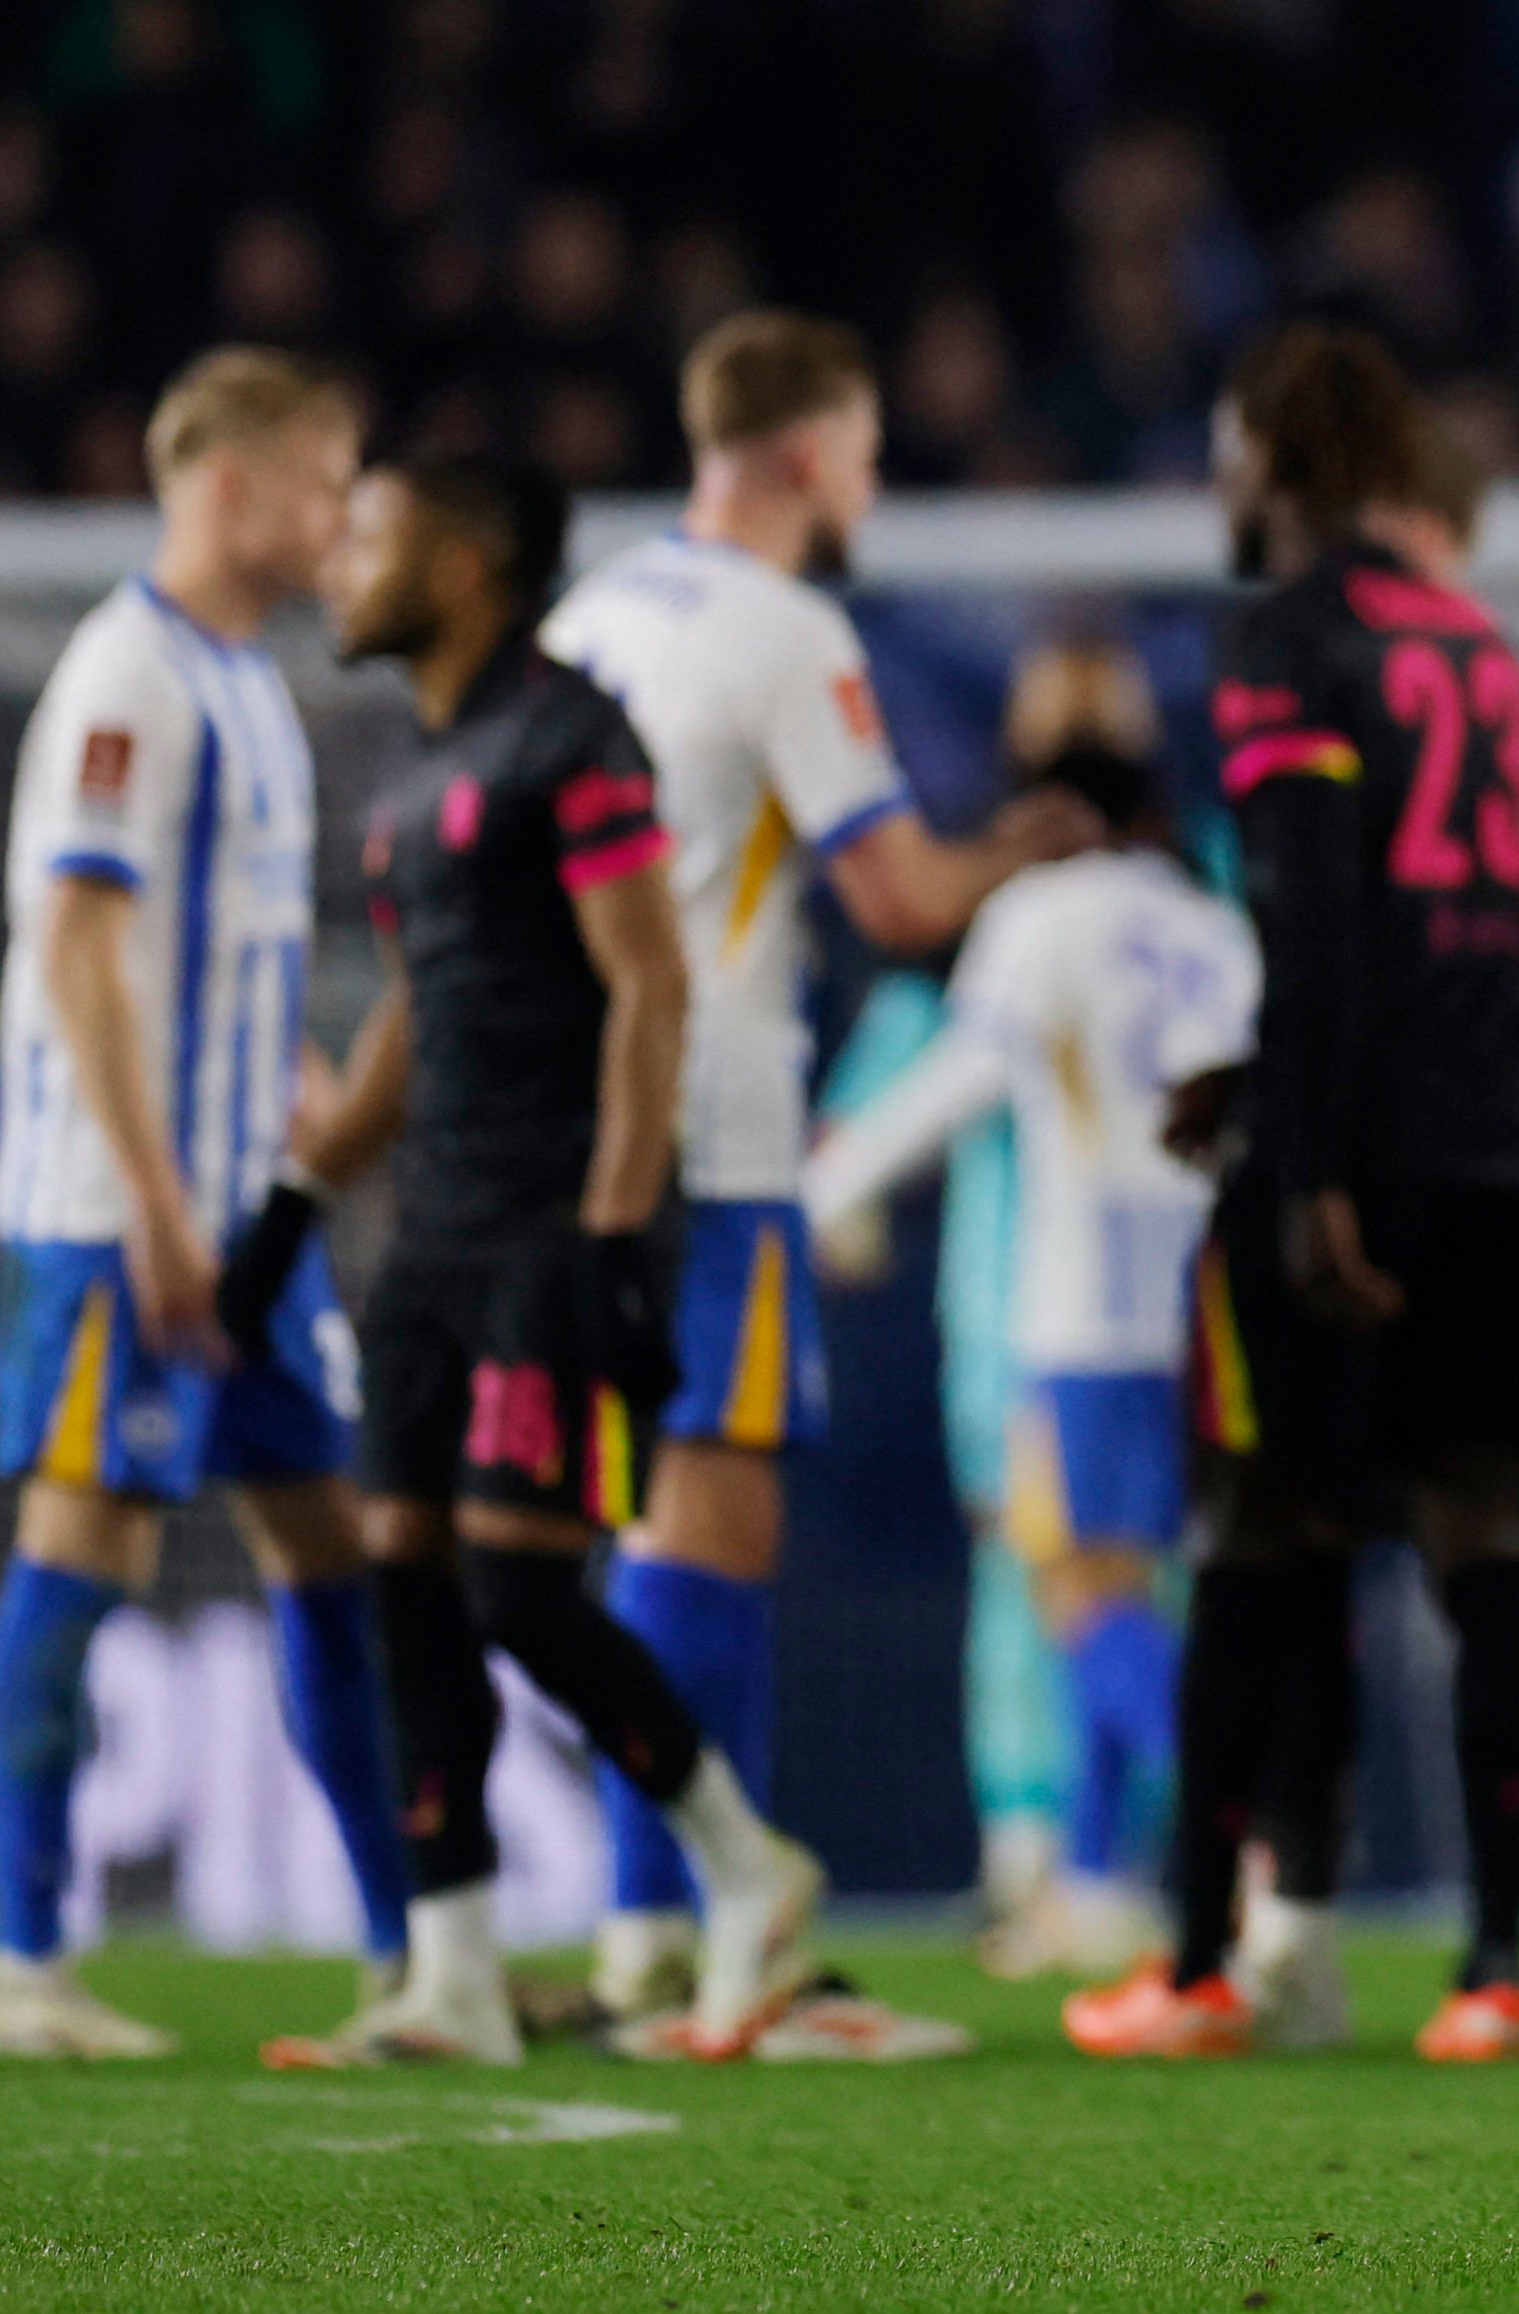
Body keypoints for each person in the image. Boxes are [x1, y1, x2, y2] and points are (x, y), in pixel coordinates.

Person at [1067, 337, 1519, 2063]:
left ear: (1277, 449)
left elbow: (1322, 918)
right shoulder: (1495, 664)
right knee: (1512, 1555)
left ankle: (1224, 1951)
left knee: (1270, 1544)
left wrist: (1310, 1148)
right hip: (1514, 1157)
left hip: (1369, 1151)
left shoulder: (1290, 632)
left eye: (1227, 445)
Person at [538, 311, 1090, 2020]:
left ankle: (651, 1927)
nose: (870, 488)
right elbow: (903, 899)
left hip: (567, 1126)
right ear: (800, 454)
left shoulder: (588, 610)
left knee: (643, 1514)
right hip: (717, 1128)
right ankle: (719, 1933)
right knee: (713, 1519)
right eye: (860, 454)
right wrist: (1035, 841)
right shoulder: (785, 630)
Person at [264, 454, 823, 2064]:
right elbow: (417, 1014)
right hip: (430, 1229)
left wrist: (612, 1232)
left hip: (545, 1227)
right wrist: (302, 1197)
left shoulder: (576, 736)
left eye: (370, 532)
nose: (341, 562)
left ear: (467, 555)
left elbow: (651, 986)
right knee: (405, 1563)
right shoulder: (420, 761)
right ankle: (453, 1971)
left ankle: (746, 1861)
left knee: (516, 1571)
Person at [0, 349, 413, 2060]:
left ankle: (407, 1954)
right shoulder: (128, 676)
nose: (341, 516)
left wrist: (290, 1084)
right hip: (117, 1209)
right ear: (227, 487)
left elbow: (204, 954)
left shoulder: (246, 680)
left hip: (252, 1214)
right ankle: (25, 1965)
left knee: (334, 1557)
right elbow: (76, 949)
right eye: (320, 483)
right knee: (86, 1550)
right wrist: (156, 1198)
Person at [804, 668, 1259, 1968]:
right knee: (1134, 1585)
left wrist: (821, 1187)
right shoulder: (1207, 923)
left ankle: (1261, 1837)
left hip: (1073, 1316)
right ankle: (1102, 1876)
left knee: (1076, 1594)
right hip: (1193, 1317)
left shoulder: (1038, 914)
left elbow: (962, 1073)